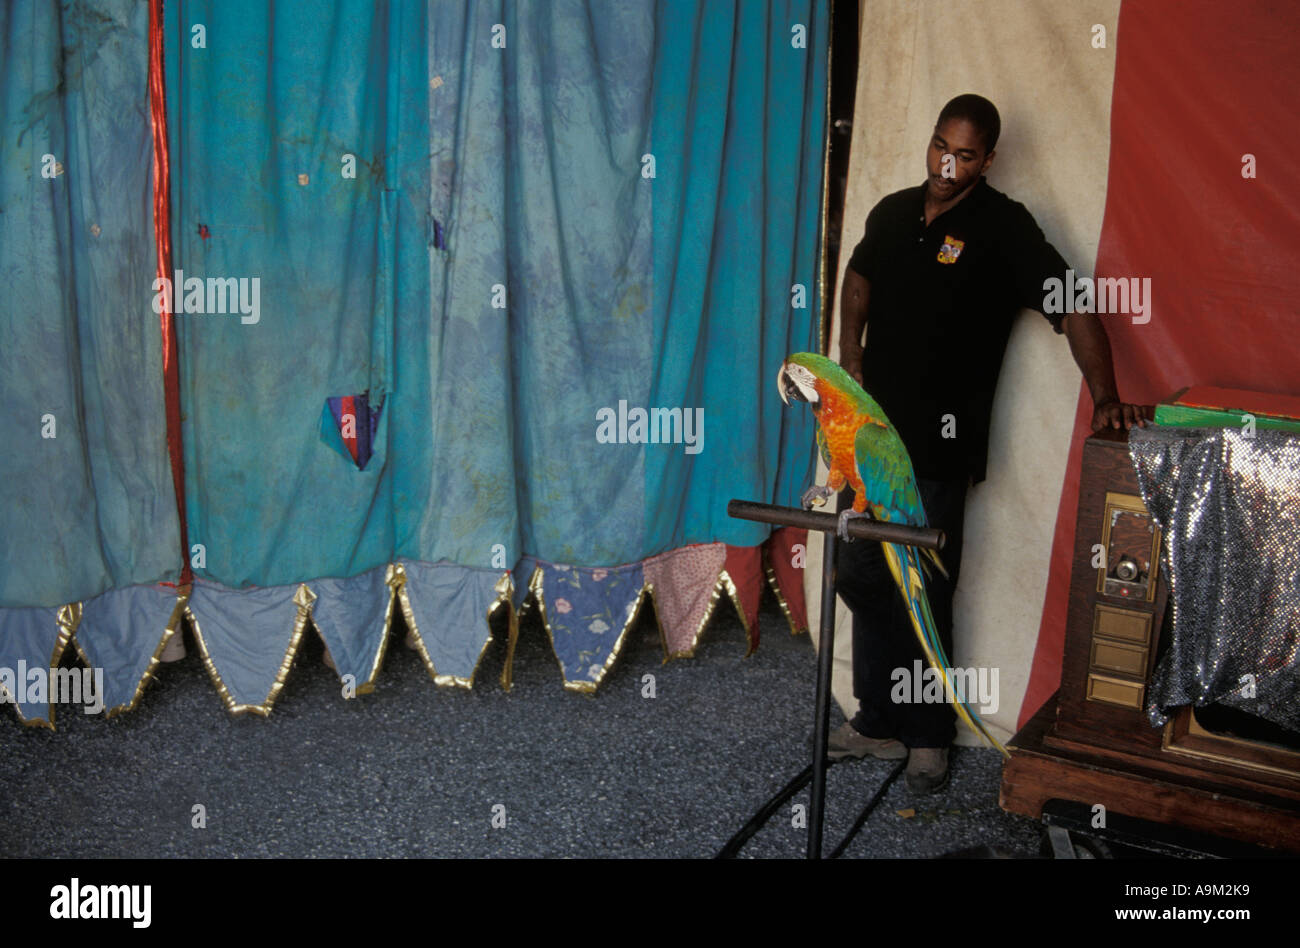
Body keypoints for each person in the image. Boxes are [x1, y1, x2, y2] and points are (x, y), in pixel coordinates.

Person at [831, 94, 1150, 793]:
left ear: (989, 159)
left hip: (941, 450)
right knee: (858, 574)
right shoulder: (891, 214)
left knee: (923, 588)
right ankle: (879, 718)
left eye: (965, 154)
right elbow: (858, 280)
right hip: (868, 444)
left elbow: (1070, 304)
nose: (947, 164)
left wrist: (1106, 397)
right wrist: (851, 356)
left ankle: (927, 735)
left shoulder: (1004, 228)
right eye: (939, 145)